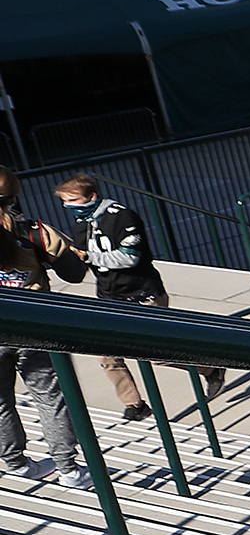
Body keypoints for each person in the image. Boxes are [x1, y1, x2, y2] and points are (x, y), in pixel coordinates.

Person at [52, 173, 224, 420]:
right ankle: (135, 404)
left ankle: (209, 369)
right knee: (106, 355)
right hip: (110, 297)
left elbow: (129, 257)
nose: (69, 206)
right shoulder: (82, 224)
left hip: (142, 294)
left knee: (157, 356)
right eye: (65, 202)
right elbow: (81, 261)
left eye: (73, 200)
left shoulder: (123, 217)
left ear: (92, 196)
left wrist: (89, 257)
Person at [0, 171, 90, 490]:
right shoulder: (35, 232)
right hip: (32, 327)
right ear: (14, 197)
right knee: (50, 396)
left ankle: (16, 465)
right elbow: (75, 273)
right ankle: (68, 469)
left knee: (1, 401)